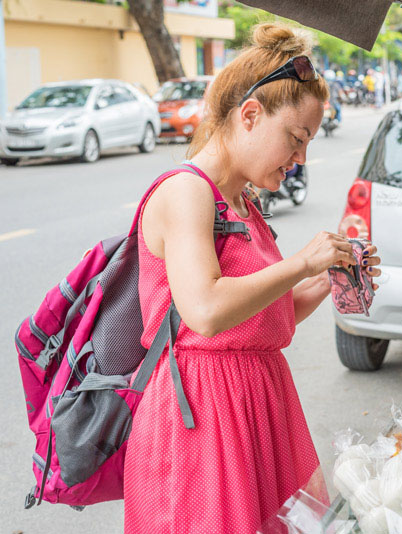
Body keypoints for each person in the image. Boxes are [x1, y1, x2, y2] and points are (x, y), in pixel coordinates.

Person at [124, 23, 382, 532]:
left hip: (257, 403)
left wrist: (331, 276)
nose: (302, 156)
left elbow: (265, 314)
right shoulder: (185, 192)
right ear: (250, 115)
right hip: (202, 415)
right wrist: (303, 263)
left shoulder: (243, 201)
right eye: (296, 137)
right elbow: (206, 309)